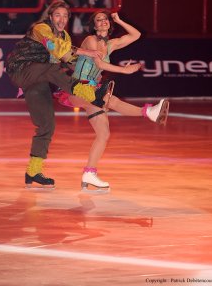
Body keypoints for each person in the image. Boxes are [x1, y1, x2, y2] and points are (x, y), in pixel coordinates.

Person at [55, 10, 170, 192]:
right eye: (99, 20)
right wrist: (125, 70)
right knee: (110, 99)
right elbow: (100, 64)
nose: (103, 22)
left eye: (106, 19)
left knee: (104, 134)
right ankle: (148, 112)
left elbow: (136, 35)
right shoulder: (90, 40)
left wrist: (119, 20)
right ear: (94, 26)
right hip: (77, 88)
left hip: (91, 92)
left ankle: (89, 174)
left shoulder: (111, 44)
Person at [5, 0, 107, 188]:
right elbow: (54, 47)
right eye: (58, 15)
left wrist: (92, 74)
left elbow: (70, 62)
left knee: (47, 124)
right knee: (52, 69)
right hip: (21, 70)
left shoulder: (66, 37)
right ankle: (88, 94)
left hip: (39, 79)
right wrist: (84, 52)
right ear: (51, 16)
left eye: (65, 15)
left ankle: (33, 171)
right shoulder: (41, 28)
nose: (62, 19)